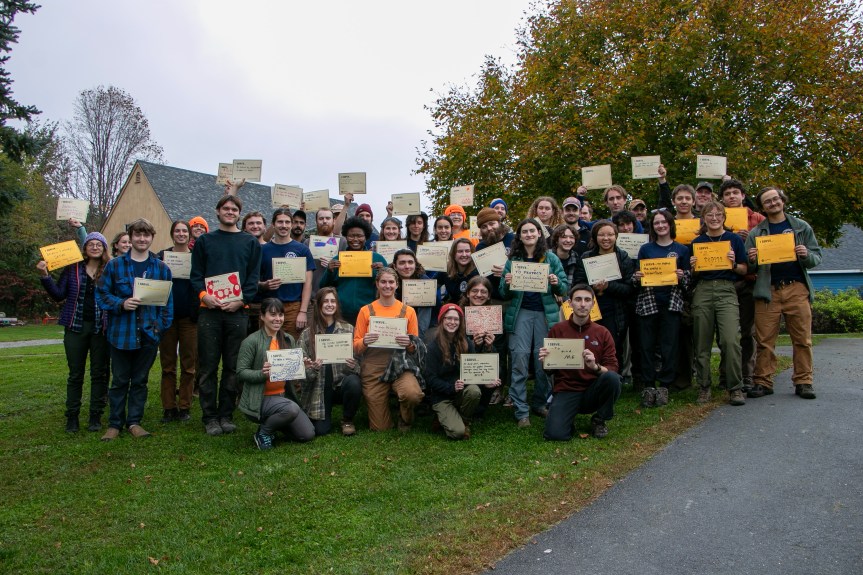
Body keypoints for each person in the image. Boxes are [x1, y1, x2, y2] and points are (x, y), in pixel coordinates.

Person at [190, 194, 262, 436]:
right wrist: (203, 296)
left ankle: (226, 414)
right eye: (226, 208)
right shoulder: (205, 241)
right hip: (209, 313)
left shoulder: (249, 242)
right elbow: (196, 276)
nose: (230, 212)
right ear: (218, 212)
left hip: (237, 313)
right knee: (208, 367)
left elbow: (252, 279)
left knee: (233, 366)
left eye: (234, 209)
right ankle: (209, 416)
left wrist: (241, 301)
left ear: (238, 214)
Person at [97, 218, 173, 440]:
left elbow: (168, 304)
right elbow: (102, 294)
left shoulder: (161, 268)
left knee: (140, 381)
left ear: (152, 238)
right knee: (119, 380)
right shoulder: (115, 265)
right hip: (121, 333)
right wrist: (121, 304)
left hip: (148, 334)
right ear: (130, 237)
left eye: (146, 235)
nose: (142, 239)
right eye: (137, 235)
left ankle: (134, 422)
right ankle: (114, 424)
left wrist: (159, 328)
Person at [745, 186, 822, 399]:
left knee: (802, 339)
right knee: (764, 340)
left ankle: (804, 381)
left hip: (796, 288)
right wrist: (751, 258)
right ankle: (763, 381)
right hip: (767, 290)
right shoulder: (756, 232)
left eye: (775, 199)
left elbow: (816, 257)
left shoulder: (800, 227)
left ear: (782, 200)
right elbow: (748, 266)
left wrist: (806, 254)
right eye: (767, 201)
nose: (773, 203)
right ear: (763, 207)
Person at [36, 232, 111, 433]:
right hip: (75, 326)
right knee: (75, 374)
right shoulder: (73, 268)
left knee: (99, 374)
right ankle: (72, 416)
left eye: (99, 245)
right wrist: (45, 276)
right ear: (85, 248)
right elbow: (59, 294)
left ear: (104, 249)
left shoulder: (109, 270)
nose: (95, 247)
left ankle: (95, 416)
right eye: (91, 244)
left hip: (100, 328)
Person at [500, 218, 569, 428]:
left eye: (533, 231)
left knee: (543, 361)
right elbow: (502, 292)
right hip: (521, 313)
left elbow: (565, 288)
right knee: (519, 359)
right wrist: (508, 283)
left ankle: (540, 403)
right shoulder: (513, 260)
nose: (529, 234)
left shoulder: (551, 259)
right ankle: (521, 410)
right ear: (519, 236)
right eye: (525, 232)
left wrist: (557, 284)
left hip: (545, 315)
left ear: (539, 234)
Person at [540, 284, 622, 440]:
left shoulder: (602, 333)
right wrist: (545, 361)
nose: (582, 304)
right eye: (578, 300)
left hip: (593, 390)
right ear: (570, 303)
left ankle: (600, 419)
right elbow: (549, 371)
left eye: (587, 300)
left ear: (593, 303)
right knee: (555, 435)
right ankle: (565, 418)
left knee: (612, 379)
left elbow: (613, 368)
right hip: (567, 390)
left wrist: (595, 366)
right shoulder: (557, 330)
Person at [690, 201, 749, 406]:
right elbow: (693, 275)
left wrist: (733, 264)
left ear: (724, 217)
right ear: (704, 218)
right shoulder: (697, 242)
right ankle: (704, 386)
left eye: (718, 214)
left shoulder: (734, 239)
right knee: (701, 342)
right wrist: (694, 267)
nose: (714, 218)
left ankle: (735, 387)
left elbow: (744, 269)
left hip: (726, 290)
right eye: (709, 215)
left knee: (730, 340)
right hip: (703, 290)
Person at [237, 298, 315, 450]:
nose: (277, 319)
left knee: (307, 434)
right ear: (262, 316)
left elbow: (293, 373)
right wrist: (262, 374)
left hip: (283, 396)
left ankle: (275, 424)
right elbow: (240, 372)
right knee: (291, 409)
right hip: (261, 398)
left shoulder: (288, 339)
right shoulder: (251, 341)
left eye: (280, 315)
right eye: (272, 315)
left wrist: (303, 366)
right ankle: (263, 432)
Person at [353, 267, 425, 431]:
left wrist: (408, 343)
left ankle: (405, 418)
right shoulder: (365, 311)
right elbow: (356, 348)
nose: (387, 286)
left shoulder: (408, 311)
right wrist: (365, 341)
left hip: (401, 364)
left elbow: (415, 349)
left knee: (412, 394)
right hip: (373, 366)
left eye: (391, 282)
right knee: (380, 428)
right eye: (383, 282)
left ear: (397, 285)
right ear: (377, 284)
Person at [633, 209, 690, 408]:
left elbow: (688, 281)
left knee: (669, 346)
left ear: (670, 224)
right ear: (653, 227)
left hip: (671, 303)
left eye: (664, 222)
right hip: (649, 302)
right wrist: (637, 277)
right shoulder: (646, 249)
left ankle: (665, 385)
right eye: (656, 223)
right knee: (647, 346)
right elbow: (637, 277)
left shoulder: (682, 250)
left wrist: (683, 276)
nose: (660, 226)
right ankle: (649, 385)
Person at [425, 304, 499, 439]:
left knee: (474, 391)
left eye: (456, 319)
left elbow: (474, 371)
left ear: (460, 322)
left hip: (462, 393)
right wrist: (450, 387)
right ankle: (444, 417)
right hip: (442, 396)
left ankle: (464, 420)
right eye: (448, 318)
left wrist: (486, 382)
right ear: (441, 320)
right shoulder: (433, 347)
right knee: (457, 433)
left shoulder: (467, 343)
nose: (452, 322)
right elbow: (430, 378)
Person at [719, 178, 766, 393]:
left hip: (748, 281)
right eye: (727, 193)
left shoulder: (757, 219)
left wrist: (750, 240)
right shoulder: (716, 219)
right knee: (725, 333)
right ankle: (725, 374)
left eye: (735, 192)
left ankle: (747, 374)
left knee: (747, 332)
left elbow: (770, 248)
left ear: (742, 195)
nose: (731, 196)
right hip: (727, 281)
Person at [298, 287, 362, 436]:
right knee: (321, 430)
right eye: (325, 301)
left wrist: (354, 366)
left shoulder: (348, 330)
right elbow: (301, 373)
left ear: (337, 305)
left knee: (354, 382)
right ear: (318, 304)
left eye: (333, 301)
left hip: (341, 384)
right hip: (319, 388)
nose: (329, 304)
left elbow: (360, 361)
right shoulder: (307, 334)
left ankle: (347, 419)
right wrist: (312, 368)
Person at [573, 220, 635, 370]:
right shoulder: (587, 257)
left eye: (610, 234)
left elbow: (629, 288)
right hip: (592, 310)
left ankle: (613, 378)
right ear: (595, 237)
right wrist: (592, 288)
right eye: (601, 235)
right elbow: (578, 284)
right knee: (589, 344)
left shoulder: (623, 257)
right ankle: (588, 377)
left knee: (612, 346)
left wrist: (609, 286)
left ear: (616, 236)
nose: (606, 238)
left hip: (616, 311)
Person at [157, 221, 198, 423]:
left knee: (189, 365)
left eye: (184, 231)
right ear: (172, 234)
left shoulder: (196, 259)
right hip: (167, 318)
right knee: (168, 365)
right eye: (177, 231)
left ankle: (184, 406)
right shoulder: (161, 258)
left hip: (189, 318)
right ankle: (168, 407)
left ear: (190, 235)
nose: (181, 234)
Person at [259, 208, 315, 340]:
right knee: (267, 347)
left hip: (293, 308)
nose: (283, 226)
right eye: (280, 222)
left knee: (291, 348)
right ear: (273, 224)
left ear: (291, 224)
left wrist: (302, 311)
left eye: (287, 222)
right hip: (268, 307)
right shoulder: (263, 250)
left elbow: (308, 284)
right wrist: (264, 285)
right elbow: (255, 280)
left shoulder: (302, 250)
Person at [320, 216, 388, 324]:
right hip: (341, 315)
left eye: (360, 236)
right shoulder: (337, 260)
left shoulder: (378, 259)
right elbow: (323, 287)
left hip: (370, 314)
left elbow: (389, 286)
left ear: (366, 237)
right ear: (346, 237)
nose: (355, 240)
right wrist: (329, 271)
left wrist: (383, 271)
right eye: (351, 236)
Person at [459, 275, 507, 412]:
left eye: (483, 292)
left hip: (485, 363)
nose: (479, 295)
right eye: (474, 291)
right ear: (468, 293)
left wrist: (489, 346)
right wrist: (472, 344)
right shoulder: (458, 315)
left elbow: (500, 353)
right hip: (462, 364)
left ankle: (482, 404)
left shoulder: (495, 317)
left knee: (497, 369)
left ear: (489, 295)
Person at [304, 207, 347, 302]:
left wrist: (333, 266)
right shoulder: (308, 243)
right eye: (321, 218)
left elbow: (347, 270)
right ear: (316, 221)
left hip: (335, 298)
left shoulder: (342, 242)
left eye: (328, 218)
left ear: (334, 221)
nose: (324, 221)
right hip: (313, 298)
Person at [391, 248, 436, 338]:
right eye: (402, 263)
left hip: (417, 329)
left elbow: (423, 319)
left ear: (415, 264)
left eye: (410, 262)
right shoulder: (389, 281)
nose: (407, 266)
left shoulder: (424, 282)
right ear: (395, 266)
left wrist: (415, 341)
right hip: (393, 328)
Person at [440, 238, 479, 305]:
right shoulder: (447, 270)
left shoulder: (478, 271)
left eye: (467, 251)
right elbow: (431, 284)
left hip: (473, 308)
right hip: (453, 309)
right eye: (460, 251)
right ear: (453, 254)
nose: (464, 255)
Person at [550, 224, 580, 289]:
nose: (568, 240)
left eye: (571, 237)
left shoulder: (576, 259)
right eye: (564, 237)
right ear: (556, 240)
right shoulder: (547, 257)